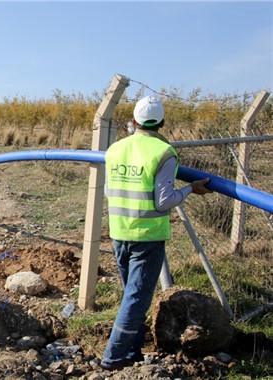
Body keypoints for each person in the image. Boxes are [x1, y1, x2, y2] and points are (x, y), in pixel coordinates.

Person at [100, 96, 212, 371]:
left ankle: (133, 351)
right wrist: (191, 189)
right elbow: (164, 201)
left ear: (134, 121)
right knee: (136, 298)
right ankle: (112, 358)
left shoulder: (115, 149)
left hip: (119, 231)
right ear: (161, 122)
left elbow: (108, 190)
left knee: (132, 295)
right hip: (147, 237)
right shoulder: (163, 152)